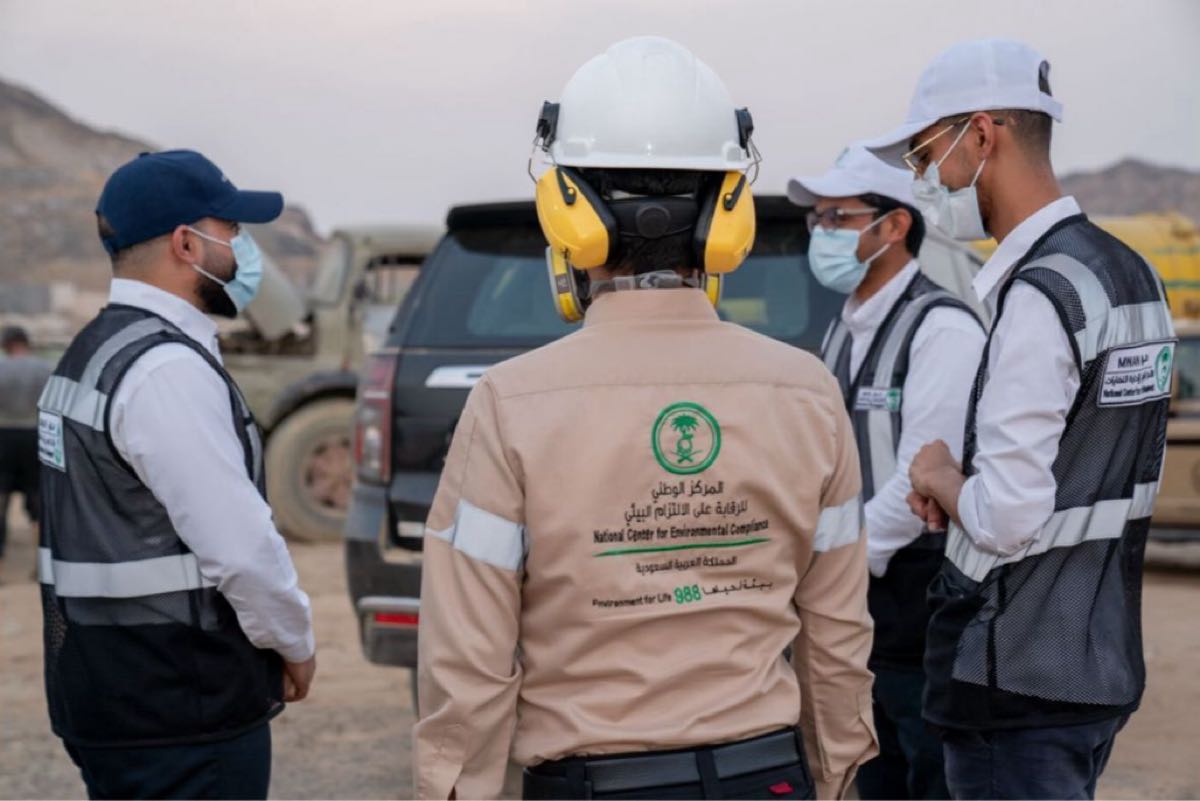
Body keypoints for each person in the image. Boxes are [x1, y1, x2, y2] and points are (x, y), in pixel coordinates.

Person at [413, 36, 877, 801]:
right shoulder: (806, 392)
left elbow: (469, 658)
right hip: (766, 781)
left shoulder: (511, 400)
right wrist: (834, 778)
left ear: (567, 213)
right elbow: (837, 637)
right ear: (728, 214)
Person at [862, 39, 1175, 800]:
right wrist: (967, 494)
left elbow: (1007, 517)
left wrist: (941, 475)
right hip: (1094, 659)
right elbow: (1098, 470)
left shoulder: (1039, 295)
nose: (923, 180)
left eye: (924, 156)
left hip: (1015, 673)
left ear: (980, 135)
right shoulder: (1130, 273)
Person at [37, 150, 317, 800]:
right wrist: (294, 642)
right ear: (186, 244)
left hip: (108, 693)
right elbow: (240, 549)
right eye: (233, 231)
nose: (243, 249)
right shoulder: (166, 370)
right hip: (181, 706)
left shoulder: (92, 352)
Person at [788, 144, 984, 800]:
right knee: (873, 767)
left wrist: (834, 558)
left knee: (929, 766)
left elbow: (921, 476)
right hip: (860, 596)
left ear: (894, 225)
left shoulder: (942, 329)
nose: (822, 235)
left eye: (837, 219)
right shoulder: (844, 329)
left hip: (919, 596)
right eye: (817, 220)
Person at [0, 325, 53, 578]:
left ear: (6, 345)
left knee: (1, 501)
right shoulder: (45, 369)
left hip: (3, 436)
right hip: (35, 435)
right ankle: (40, 564)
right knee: (37, 500)